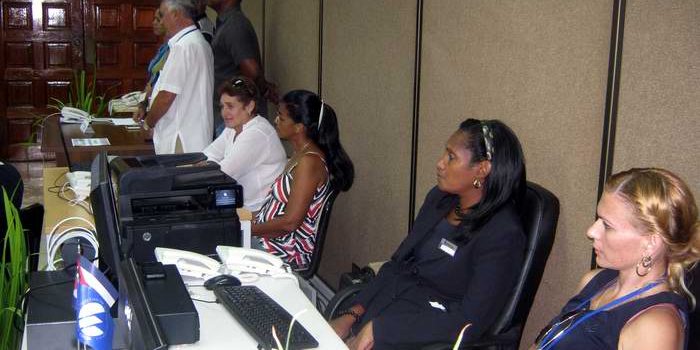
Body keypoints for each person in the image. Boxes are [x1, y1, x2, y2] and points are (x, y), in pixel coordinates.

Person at [330, 119, 528, 349]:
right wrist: (351, 314)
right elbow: (397, 264)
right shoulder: (439, 199)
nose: (440, 164)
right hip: (385, 307)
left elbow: (468, 323)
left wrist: (381, 330)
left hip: (424, 334)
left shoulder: (503, 234)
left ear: (482, 170)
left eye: (451, 157)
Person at [530, 168, 700, 350]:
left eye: (607, 225)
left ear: (651, 243)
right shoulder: (594, 281)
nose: (591, 231)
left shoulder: (654, 327)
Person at [252, 90, 354, 269]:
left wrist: (246, 229)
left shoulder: (309, 162)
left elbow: (290, 223)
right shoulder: (300, 154)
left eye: (281, 118)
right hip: (269, 240)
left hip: (283, 251)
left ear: (299, 127)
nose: (276, 121)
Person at [206, 0, 277, 134]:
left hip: (237, 118)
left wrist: (263, 89)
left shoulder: (235, 25)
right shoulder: (225, 23)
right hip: (228, 114)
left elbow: (251, 71)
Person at [145, 0, 214, 154]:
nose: (160, 21)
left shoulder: (182, 47)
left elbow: (166, 96)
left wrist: (149, 122)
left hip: (179, 137)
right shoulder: (199, 42)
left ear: (175, 14)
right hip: (194, 135)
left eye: (162, 15)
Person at [202, 77, 286, 212]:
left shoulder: (258, 133)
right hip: (242, 206)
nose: (224, 113)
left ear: (249, 106)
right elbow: (207, 155)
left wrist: (208, 167)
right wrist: (209, 164)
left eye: (230, 106)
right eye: (222, 106)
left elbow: (224, 174)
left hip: (259, 213)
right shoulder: (233, 128)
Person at [133, 7, 170, 122]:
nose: (154, 23)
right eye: (154, 19)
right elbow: (152, 79)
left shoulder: (175, 48)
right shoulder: (164, 47)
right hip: (150, 101)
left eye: (158, 20)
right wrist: (141, 104)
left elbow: (158, 80)